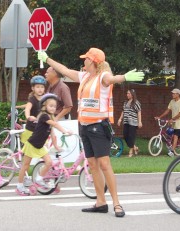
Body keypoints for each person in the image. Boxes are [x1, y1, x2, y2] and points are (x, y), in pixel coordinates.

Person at [38, 47, 144, 217]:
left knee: (104, 164)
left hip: (99, 127)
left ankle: (116, 203)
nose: (84, 61)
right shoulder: (85, 77)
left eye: (86, 59)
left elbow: (112, 78)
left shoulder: (102, 77)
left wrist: (124, 77)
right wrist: (47, 58)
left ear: (94, 62)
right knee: (93, 165)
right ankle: (101, 202)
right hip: (85, 127)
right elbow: (64, 70)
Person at [16, 93, 72, 195]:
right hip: (32, 144)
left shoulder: (50, 117)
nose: (53, 108)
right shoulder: (44, 116)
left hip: (40, 146)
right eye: (50, 106)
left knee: (49, 162)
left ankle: (39, 178)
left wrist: (55, 145)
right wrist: (65, 131)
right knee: (25, 166)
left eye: (54, 106)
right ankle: (19, 186)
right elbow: (55, 124)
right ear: (44, 106)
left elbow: (52, 133)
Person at [154, 88, 180, 155]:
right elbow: (167, 110)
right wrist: (160, 117)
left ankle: (172, 151)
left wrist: (172, 119)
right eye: (172, 93)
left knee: (175, 136)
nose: (172, 94)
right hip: (175, 121)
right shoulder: (172, 101)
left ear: (178, 94)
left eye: (174, 93)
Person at [20, 75, 46, 144]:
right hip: (31, 129)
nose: (40, 89)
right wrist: (28, 117)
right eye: (37, 87)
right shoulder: (32, 99)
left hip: (41, 129)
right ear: (32, 88)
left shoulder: (45, 100)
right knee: (28, 150)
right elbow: (27, 109)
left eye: (42, 87)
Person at [117, 89, 142, 157]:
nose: (127, 95)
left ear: (132, 94)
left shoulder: (136, 102)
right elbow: (123, 111)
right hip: (126, 121)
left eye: (129, 93)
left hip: (133, 122)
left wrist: (140, 122)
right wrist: (120, 119)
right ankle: (135, 148)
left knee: (131, 136)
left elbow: (139, 112)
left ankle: (130, 152)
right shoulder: (125, 102)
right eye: (127, 93)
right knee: (125, 135)